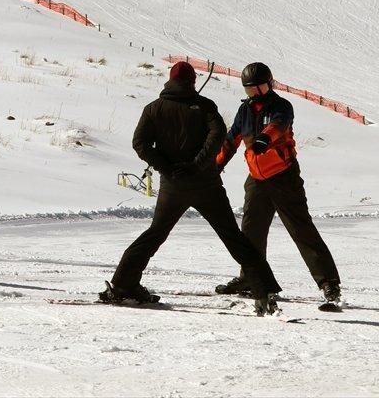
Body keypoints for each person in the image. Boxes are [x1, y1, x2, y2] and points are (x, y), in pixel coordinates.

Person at [101, 61, 283, 315]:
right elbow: (218, 135)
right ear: (192, 82)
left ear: (169, 80)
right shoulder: (205, 107)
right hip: (205, 183)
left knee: (155, 234)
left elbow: (140, 144)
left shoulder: (153, 109)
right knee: (233, 236)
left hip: (173, 186)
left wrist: (168, 168)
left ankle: (122, 284)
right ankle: (264, 293)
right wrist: (196, 166)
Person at [214, 63, 342, 305]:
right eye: (249, 90)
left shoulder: (281, 106)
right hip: (257, 179)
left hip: (284, 176)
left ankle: (329, 283)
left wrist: (264, 138)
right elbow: (231, 141)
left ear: (269, 84)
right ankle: (250, 279)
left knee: (300, 229)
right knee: (251, 232)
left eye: (259, 88)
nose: (255, 94)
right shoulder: (245, 111)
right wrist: (215, 167)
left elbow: (279, 125)